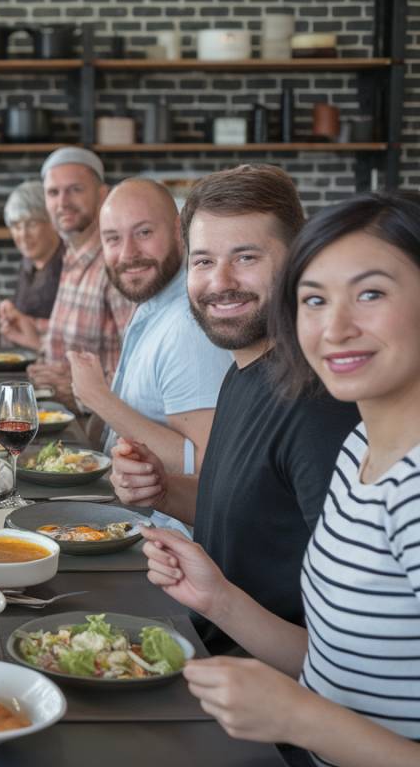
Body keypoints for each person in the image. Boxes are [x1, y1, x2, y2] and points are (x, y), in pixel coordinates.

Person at [141, 190, 420, 767]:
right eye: (315, 299)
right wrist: (217, 598)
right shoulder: (363, 450)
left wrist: (298, 716)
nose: (335, 327)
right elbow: (332, 663)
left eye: (370, 293)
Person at [110, 165, 360, 653]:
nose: (220, 283)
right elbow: (255, 517)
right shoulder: (244, 369)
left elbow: (351, 656)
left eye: (246, 257)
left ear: (298, 261)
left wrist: (219, 605)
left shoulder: (320, 408)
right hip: (203, 640)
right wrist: (162, 493)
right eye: (203, 261)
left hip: (262, 695)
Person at [68, 178, 231, 475]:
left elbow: (204, 463)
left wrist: (98, 398)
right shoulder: (153, 306)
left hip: (157, 520)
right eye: (113, 239)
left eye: (143, 232)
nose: (128, 253)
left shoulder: (189, 326)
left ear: (179, 230)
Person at [0, 147, 134, 407]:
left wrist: (78, 389)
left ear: (102, 194)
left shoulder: (117, 265)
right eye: (53, 192)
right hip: (61, 414)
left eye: (75, 189)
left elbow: (139, 375)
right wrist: (36, 338)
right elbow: (83, 343)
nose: (63, 202)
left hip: (103, 432)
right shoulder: (69, 257)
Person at [0, 179, 64, 323]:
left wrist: (23, 321)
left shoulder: (69, 265)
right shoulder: (27, 263)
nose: (23, 235)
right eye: (16, 226)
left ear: (52, 222)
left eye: (32, 224)